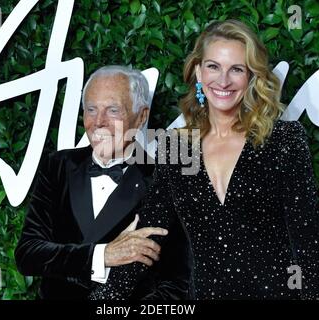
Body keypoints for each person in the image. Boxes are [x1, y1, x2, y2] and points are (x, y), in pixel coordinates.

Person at [89, 20, 319, 300]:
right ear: (198, 72)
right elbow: (150, 230)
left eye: (237, 69)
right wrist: (109, 296)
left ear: (252, 77)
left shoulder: (283, 140)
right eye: (213, 67)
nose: (224, 81)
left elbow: (308, 247)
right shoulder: (177, 146)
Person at [15, 65, 193, 299]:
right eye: (91, 109)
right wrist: (103, 256)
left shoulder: (165, 182)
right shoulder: (58, 166)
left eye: (113, 110)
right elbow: (28, 255)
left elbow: (176, 286)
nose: (99, 121)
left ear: (141, 117)